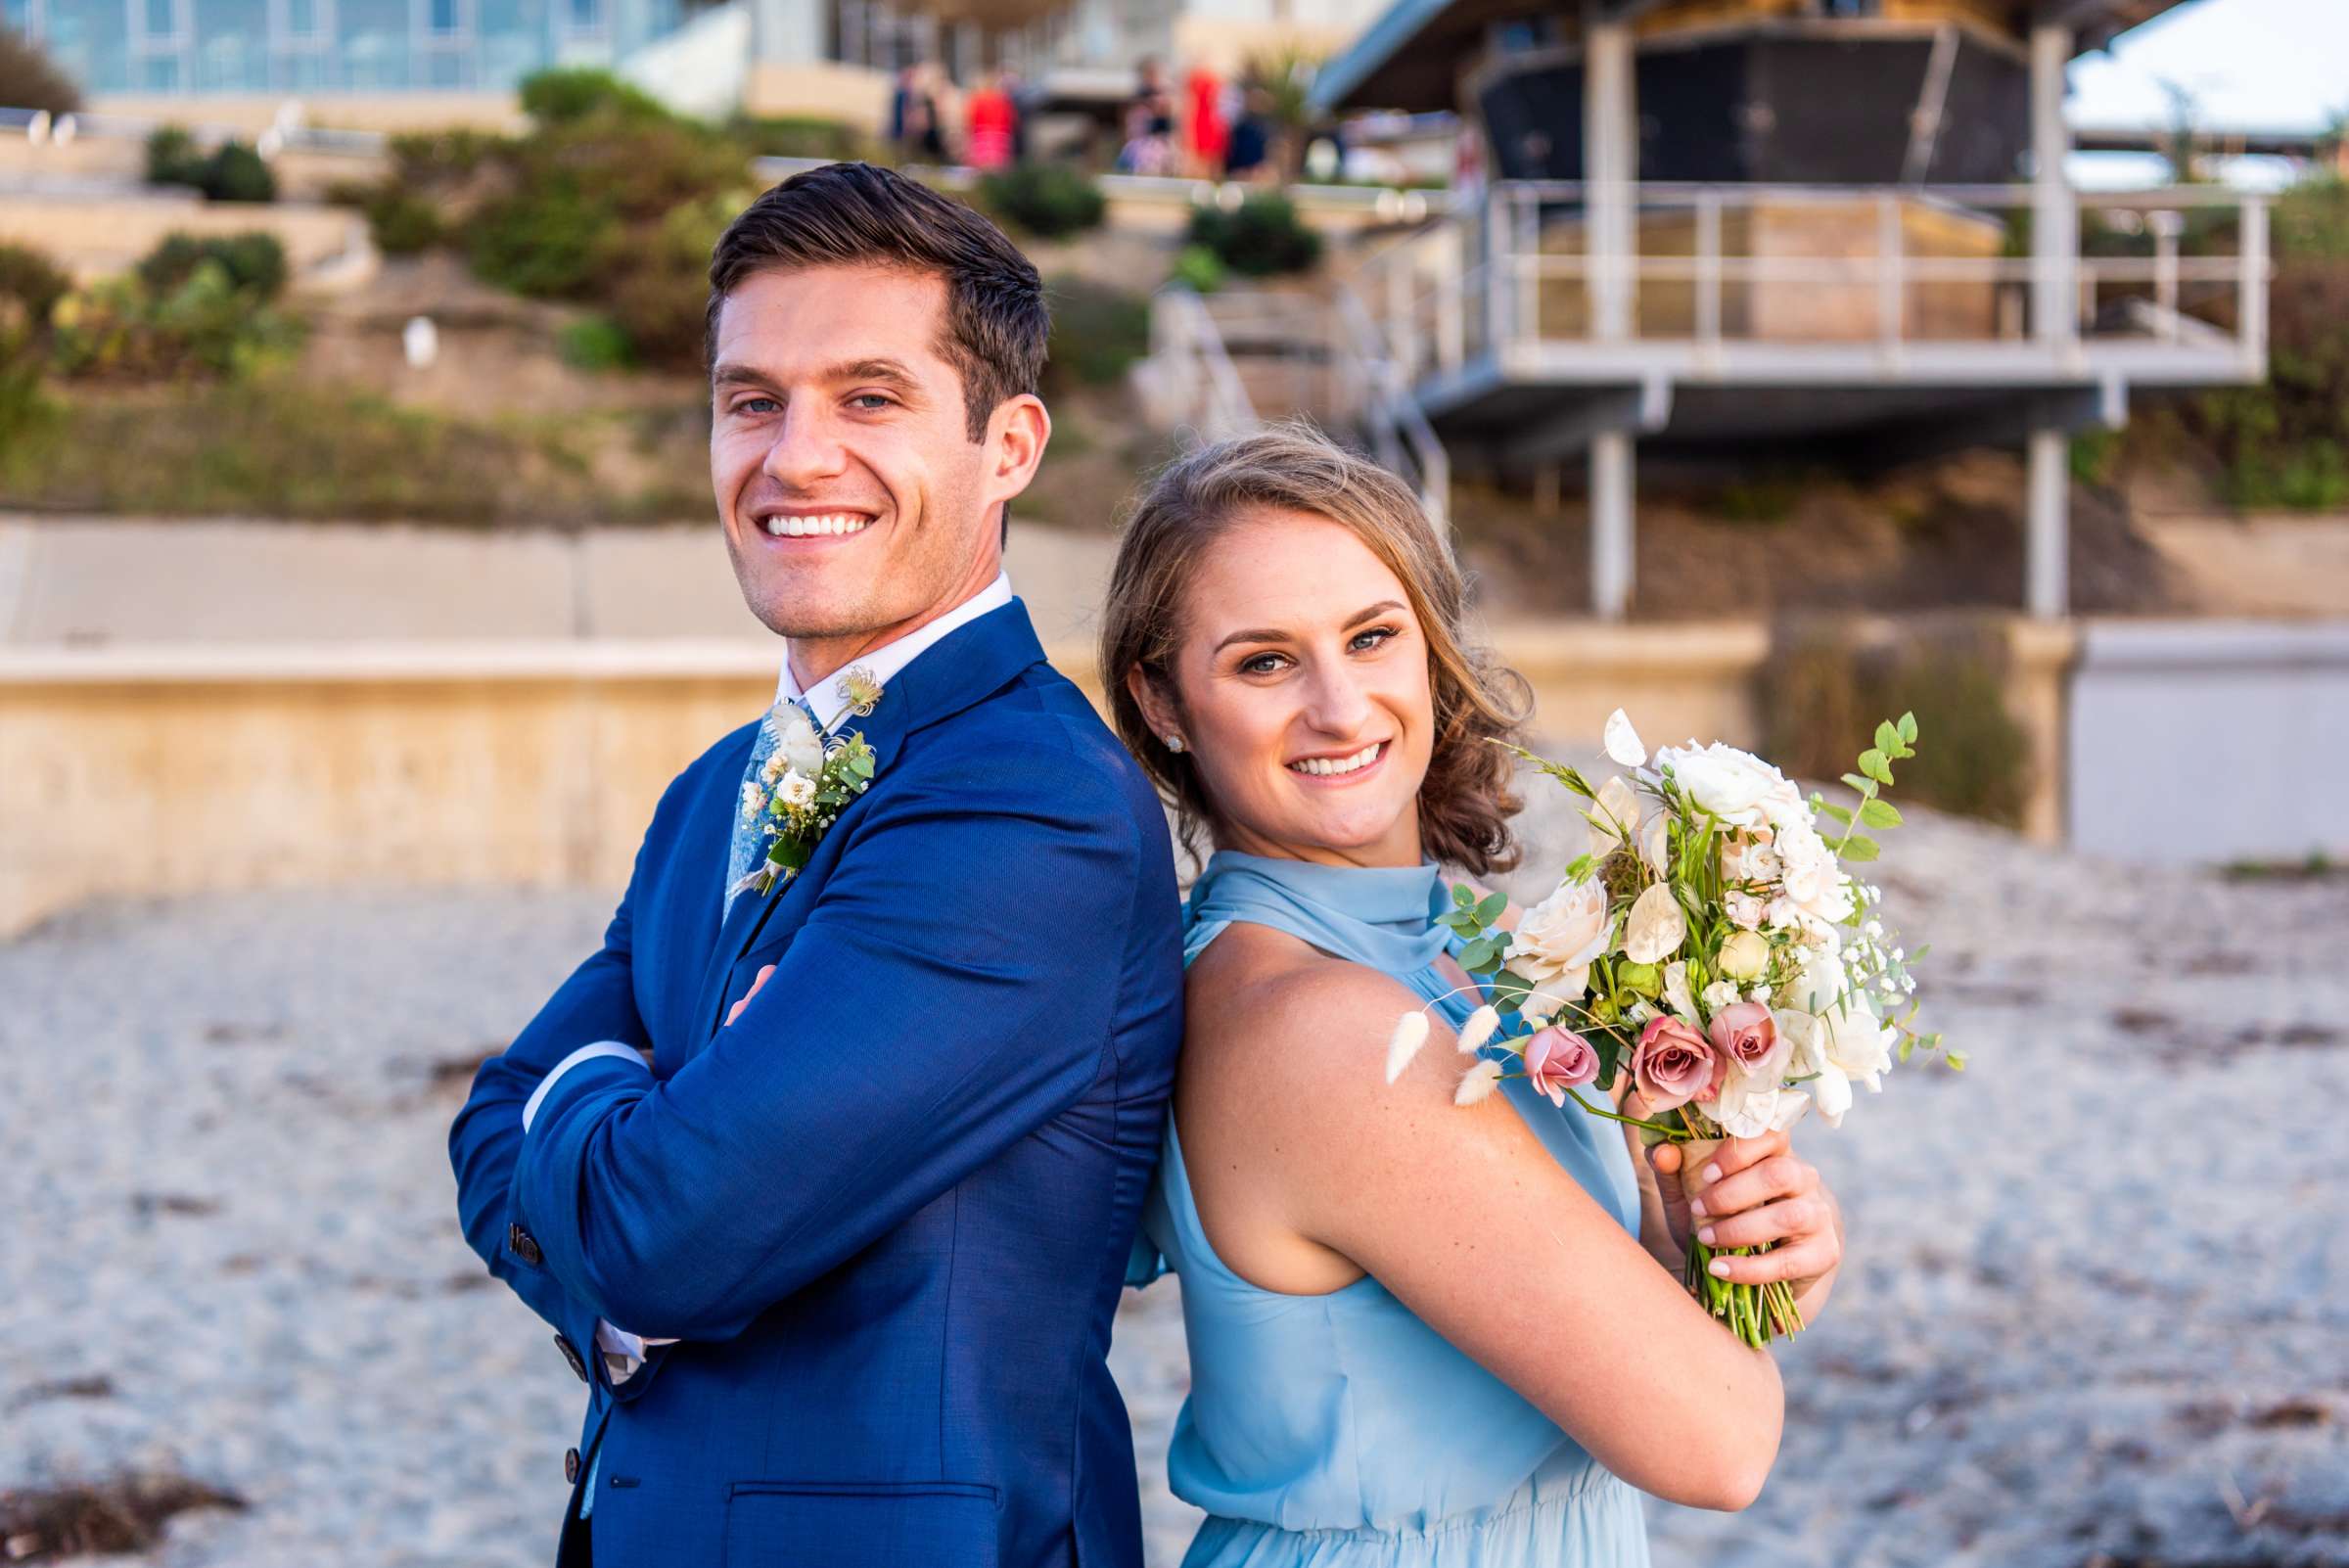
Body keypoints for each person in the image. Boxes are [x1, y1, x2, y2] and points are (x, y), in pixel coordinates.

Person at [448, 162, 1186, 1568]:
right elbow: (485, 1124)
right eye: (751, 400)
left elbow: (660, 1231)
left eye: (868, 396)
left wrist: (612, 1099)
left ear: (1010, 443)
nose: (793, 457)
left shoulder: (1028, 807)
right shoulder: (714, 787)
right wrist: (645, 1132)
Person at [1101, 428, 1846, 1566]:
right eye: (1264, 662)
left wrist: (1721, 1237)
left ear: (1432, 645)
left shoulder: (1463, 955)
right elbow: (1719, 1443)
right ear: (1161, 701)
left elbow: (1594, 1347)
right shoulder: (1324, 1031)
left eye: (1371, 636)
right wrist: (1712, 1363)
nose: (1341, 709)